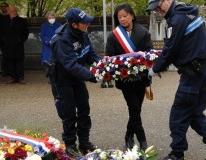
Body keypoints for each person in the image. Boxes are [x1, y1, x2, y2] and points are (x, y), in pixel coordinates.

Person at [146, 0, 206, 160]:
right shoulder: (186, 12)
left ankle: (177, 154)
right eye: (155, 10)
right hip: (203, 69)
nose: (158, 12)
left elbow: (171, 49)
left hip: (192, 73)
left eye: (158, 7)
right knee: (195, 114)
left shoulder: (177, 19)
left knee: (178, 115)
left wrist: (154, 69)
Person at [49, 8, 101, 158]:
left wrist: (103, 66)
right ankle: (70, 144)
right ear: (74, 25)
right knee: (69, 112)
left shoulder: (83, 33)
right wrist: (91, 76)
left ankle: (84, 142)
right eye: (84, 22)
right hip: (62, 80)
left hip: (77, 77)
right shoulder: (61, 40)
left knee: (84, 109)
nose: (88, 24)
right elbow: (70, 65)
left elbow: (91, 53)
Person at [105, 3, 153, 151]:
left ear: (132, 15)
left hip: (141, 78)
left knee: (136, 110)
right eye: (119, 17)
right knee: (133, 107)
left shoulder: (144, 32)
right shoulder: (114, 35)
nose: (122, 19)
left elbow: (149, 53)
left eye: (125, 16)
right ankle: (142, 140)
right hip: (125, 79)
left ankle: (128, 136)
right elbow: (110, 57)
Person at [0, 6, 29, 84]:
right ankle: (13, 77)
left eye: (14, 10)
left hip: (18, 45)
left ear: (16, 11)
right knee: (9, 62)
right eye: (11, 11)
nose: (13, 12)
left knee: (19, 62)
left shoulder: (22, 21)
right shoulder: (3, 21)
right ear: (8, 11)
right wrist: (3, 40)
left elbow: (26, 33)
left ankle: (20, 78)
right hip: (7, 45)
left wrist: (19, 40)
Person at [0, 2, 9, 77]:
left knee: (12, 55)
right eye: (2, 6)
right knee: (5, 55)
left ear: (7, 7)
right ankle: (6, 70)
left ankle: (12, 71)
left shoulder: (11, 17)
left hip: (11, 40)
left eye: (5, 6)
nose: (3, 7)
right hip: (2, 40)